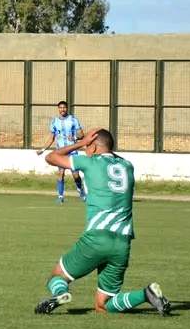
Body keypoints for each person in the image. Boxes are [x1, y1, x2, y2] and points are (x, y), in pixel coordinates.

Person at [34, 128, 171, 316]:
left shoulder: (89, 162)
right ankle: (146, 294)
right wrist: (96, 145)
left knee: (58, 276)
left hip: (97, 238)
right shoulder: (128, 165)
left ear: (93, 147)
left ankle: (61, 293)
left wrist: (80, 143)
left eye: (87, 146)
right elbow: (109, 154)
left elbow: (51, 157)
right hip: (122, 243)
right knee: (103, 305)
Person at [37, 101, 86, 203]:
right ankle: (60, 196)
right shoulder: (54, 121)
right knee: (60, 173)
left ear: (67, 108)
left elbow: (81, 134)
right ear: (58, 109)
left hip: (72, 150)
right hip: (60, 152)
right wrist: (42, 149)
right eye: (60, 108)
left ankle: (81, 191)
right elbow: (51, 137)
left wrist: (75, 137)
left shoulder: (73, 119)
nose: (62, 109)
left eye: (64, 107)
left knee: (75, 174)